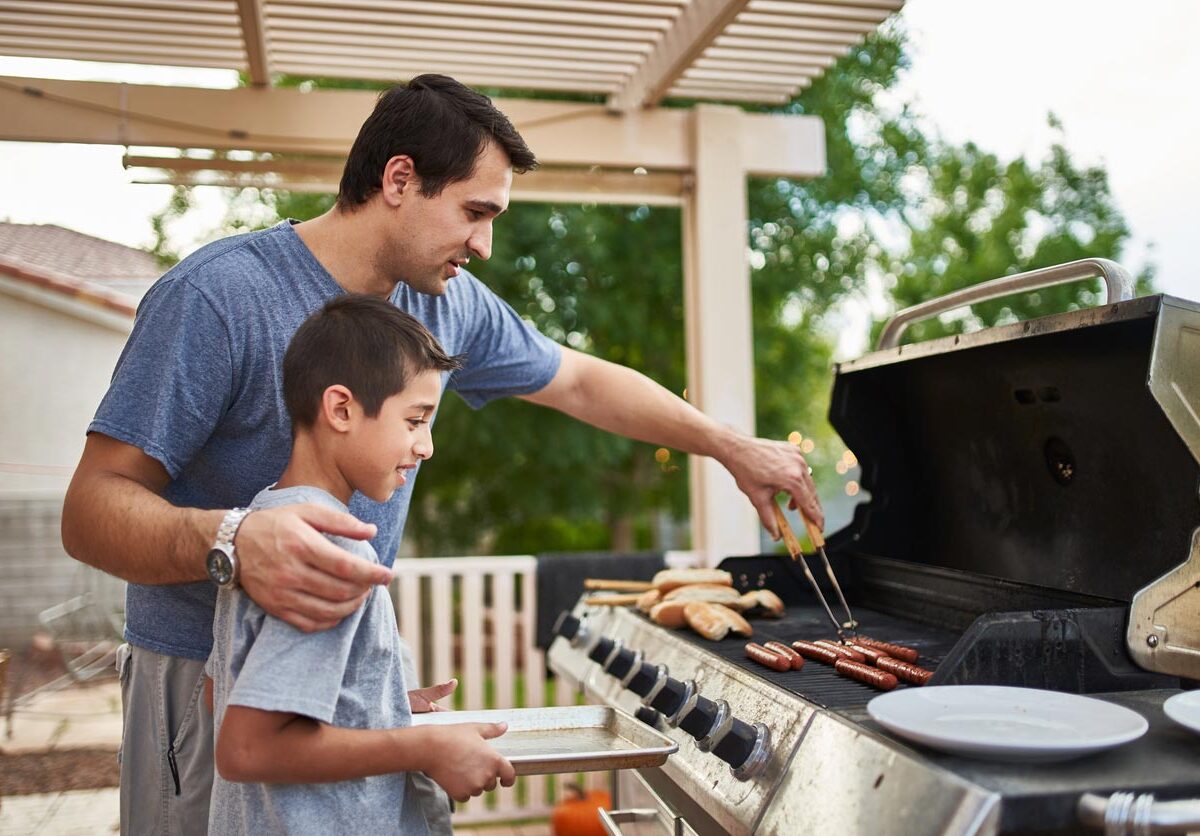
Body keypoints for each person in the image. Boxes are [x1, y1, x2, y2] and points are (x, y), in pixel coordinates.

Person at [61, 73, 822, 835]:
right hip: (200, 683)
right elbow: (91, 510)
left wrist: (730, 447)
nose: (484, 244)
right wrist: (235, 542)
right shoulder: (218, 297)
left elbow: (584, 383)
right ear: (399, 179)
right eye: (474, 212)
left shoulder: (442, 303)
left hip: (330, 700)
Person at [206, 294, 512, 834]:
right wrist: (423, 744)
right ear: (341, 409)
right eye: (415, 420)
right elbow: (248, 747)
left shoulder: (267, 523)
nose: (427, 447)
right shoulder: (330, 546)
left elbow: (223, 690)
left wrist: (378, 701)